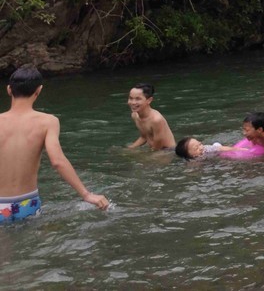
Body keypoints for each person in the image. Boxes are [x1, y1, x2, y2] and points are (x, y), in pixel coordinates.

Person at [0, 66, 109, 222]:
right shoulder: (47, 121)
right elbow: (57, 161)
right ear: (39, 90)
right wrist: (86, 194)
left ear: (9, 90)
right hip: (27, 202)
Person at [126, 83, 176, 151]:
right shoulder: (135, 115)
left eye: (138, 99)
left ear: (149, 100)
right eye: (131, 98)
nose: (133, 102)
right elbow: (144, 137)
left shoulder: (156, 120)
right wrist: (131, 148)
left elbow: (158, 147)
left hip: (167, 151)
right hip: (154, 149)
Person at [174, 137, 241, 160]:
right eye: (196, 148)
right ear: (190, 155)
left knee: (217, 146)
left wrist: (237, 149)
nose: (201, 148)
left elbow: (221, 148)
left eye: (199, 144)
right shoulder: (192, 160)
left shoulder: (206, 149)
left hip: (214, 151)